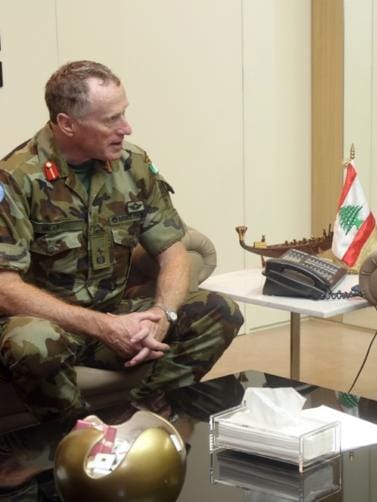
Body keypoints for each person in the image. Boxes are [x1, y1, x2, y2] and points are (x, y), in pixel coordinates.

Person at [0, 60, 244, 422]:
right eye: (111, 119)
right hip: (50, 323)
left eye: (123, 114)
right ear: (67, 124)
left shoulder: (134, 164)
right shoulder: (17, 178)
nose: (126, 128)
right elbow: (5, 288)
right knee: (30, 343)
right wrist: (101, 326)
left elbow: (173, 250)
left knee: (220, 310)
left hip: (117, 312)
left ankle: (138, 411)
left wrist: (163, 314)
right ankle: (78, 434)